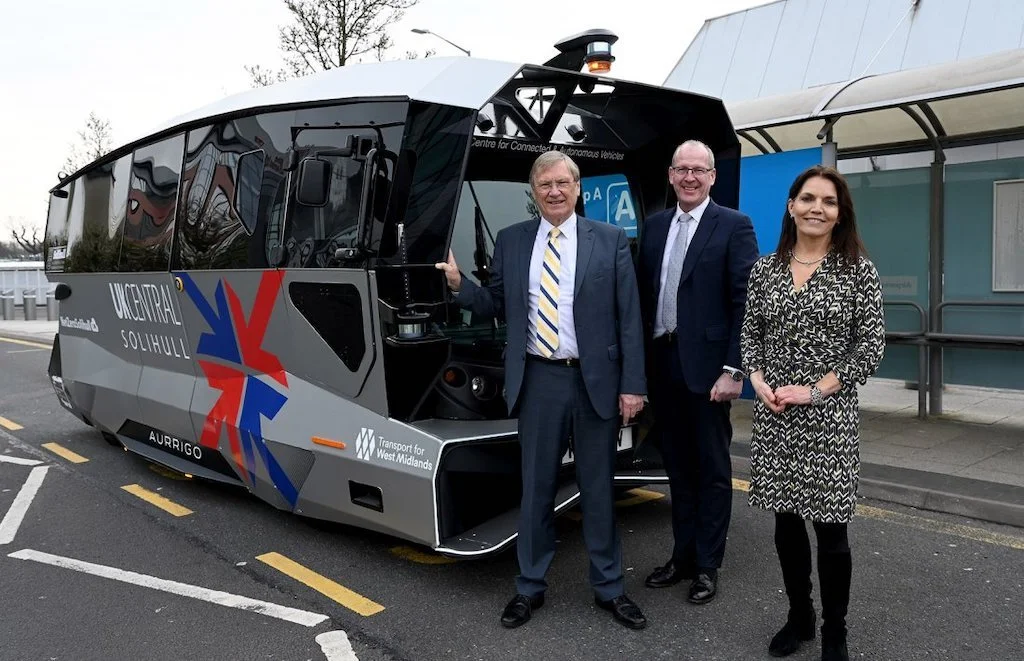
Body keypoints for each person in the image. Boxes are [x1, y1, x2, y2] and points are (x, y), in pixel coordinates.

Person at [435, 151, 648, 630]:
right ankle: (529, 587)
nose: (554, 191)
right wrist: (458, 283)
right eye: (545, 184)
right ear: (534, 192)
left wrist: (633, 386)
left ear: (577, 188)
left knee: (598, 489)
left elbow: (629, 317)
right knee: (535, 490)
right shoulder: (513, 241)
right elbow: (494, 304)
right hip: (539, 380)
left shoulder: (609, 239)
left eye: (562, 183)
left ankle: (610, 588)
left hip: (595, 381)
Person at [739, 165, 885, 661]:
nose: (816, 208)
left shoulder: (857, 271)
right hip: (776, 416)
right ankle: (799, 615)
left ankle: (835, 630)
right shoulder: (765, 269)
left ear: (840, 213)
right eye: (807, 198)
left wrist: (815, 391)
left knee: (831, 530)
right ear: (791, 206)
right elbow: (750, 335)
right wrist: (758, 380)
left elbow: (870, 347)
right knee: (785, 524)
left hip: (829, 420)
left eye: (828, 201)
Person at [636, 139, 759, 604]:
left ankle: (707, 566)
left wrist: (734, 369)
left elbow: (746, 303)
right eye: (682, 169)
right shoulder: (654, 226)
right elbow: (644, 298)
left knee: (711, 470)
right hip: (662, 365)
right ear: (670, 175)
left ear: (712, 177)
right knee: (677, 469)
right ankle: (682, 557)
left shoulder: (734, 225)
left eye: (698, 170)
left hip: (710, 372)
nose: (690, 177)